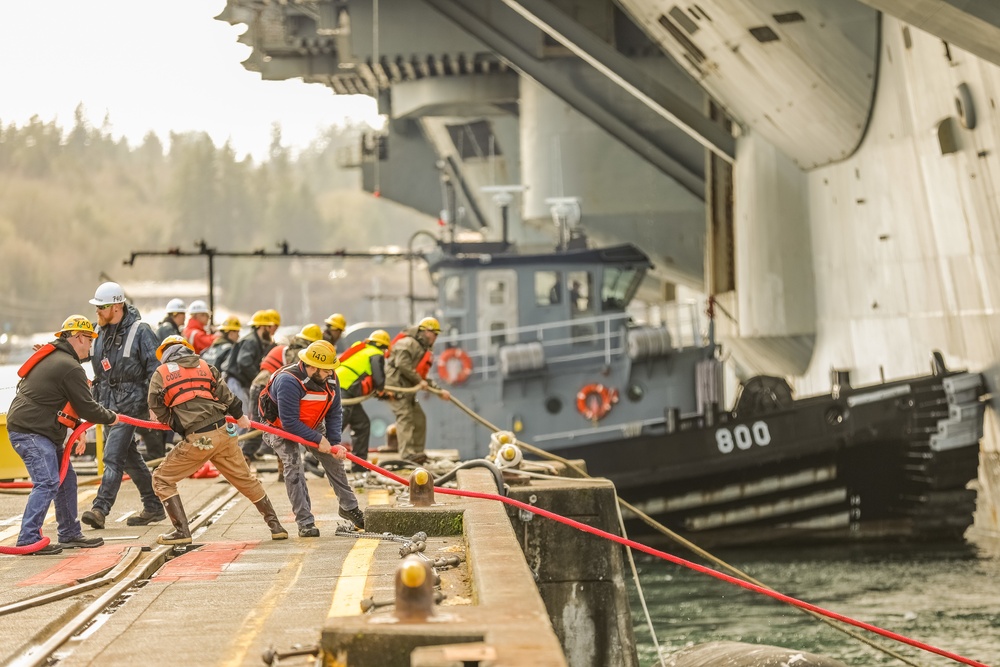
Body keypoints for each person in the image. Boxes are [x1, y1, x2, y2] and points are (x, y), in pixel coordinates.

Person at [147, 336, 288, 545]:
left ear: (165, 354)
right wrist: (240, 417)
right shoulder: (206, 366)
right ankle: (276, 526)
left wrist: (175, 422)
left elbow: (155, 406)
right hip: (225, 432)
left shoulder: (161, 373)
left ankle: (181, 532)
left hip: (198, 438)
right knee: (245, 480)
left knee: (162, 478)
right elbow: (228, 397)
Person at [6, 316, 120, 555]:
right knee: (48, 481)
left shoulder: (56, 358)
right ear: (78, 337)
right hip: (31, 431)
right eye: (89, 340)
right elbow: (88, 407)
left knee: (66, 480)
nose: (91, 346)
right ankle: (28, 538)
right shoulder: (69, 366)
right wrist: (112, 417)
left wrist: (76, 429)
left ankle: (69, 533)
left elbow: (60, 402)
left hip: (41, 429)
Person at [81, 282, 165, 530]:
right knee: (129, 458)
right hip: (108, 405)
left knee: (112, 456)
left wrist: (154, 405)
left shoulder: (141, 332)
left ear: (117, 306)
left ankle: (100, 509)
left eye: (101, 307)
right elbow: (81, 350)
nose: (97, 311)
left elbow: (155, 370)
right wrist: (54, 351)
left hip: (131, 405)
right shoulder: (100, 331)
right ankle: (154, 506)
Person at [259, 340, 364, 535]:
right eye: (326, 370)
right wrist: (318, 439)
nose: (330, 374)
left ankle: (349, 508)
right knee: (294, 467)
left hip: (312, 423)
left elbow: (335, 412)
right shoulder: (288, 381)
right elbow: (289, 422)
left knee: (334, 462)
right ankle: (305, 522)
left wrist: (334, 443)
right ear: (312, 367)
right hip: (279, 426)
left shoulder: (331, 378)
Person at [248, 324, 321, 467]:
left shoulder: (292, 349)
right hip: (266, 390)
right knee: (262, 428)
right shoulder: (302, 355)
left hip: (264, 387)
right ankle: (242, 466)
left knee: (276, 429)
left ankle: (284, 469)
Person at [385, 317, 450, 463]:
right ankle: (407, 455)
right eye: (435, 334)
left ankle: (417, 453)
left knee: (419, 418)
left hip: (407, 389)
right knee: (405, 417)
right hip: (396, 387)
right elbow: (402, 364)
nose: (436, 338)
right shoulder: (407, 343)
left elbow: (421, 376)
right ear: (427, 332)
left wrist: (439, 391)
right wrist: (419, 381)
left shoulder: (421, 349)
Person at [223, 310, 275, 460]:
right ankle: (235, 454)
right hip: (235, 382)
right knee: (241, 417)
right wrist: (257, 378)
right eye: (268, 327)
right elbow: (243, 362)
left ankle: (238, 452)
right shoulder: (251, 341)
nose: (270, 331)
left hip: (238, 382)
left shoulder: (255, 341)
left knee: (243, 417)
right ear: (261, 327)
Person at [335, 329, 389, 468]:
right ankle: (311, 459)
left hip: (341, 386)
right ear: (383, 347)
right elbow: (378, 377)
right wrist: (381, 390)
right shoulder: (376, 354)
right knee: (338, 423)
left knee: (362, 424)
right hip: (344, 388)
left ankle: (359, 465)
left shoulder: (363, 350)